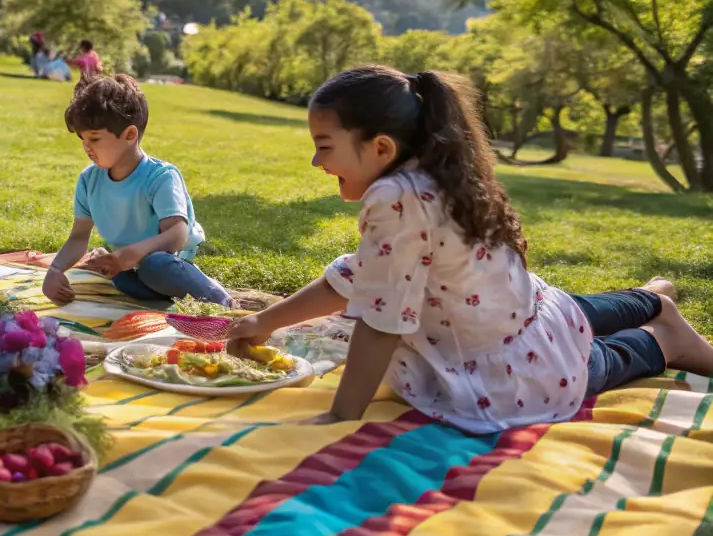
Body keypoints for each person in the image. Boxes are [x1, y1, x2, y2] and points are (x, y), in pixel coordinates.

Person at [227, 65, 713, 432]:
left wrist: (341, 414)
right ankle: (651, 298)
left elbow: (381, 320)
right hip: (522, 313)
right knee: (573, 315)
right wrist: (264, 321)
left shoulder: (396, 198)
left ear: (380, 148)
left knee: (595, 361)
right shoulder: (436, 172)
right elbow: (358, 275)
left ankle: (665, 337)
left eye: (325, 145)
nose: (315, 160)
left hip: (514, 369)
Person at [41, 74, 231, 307]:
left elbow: (176, 235)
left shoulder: (160, 176)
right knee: (121, 280)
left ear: (130, 135)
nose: (86, 147)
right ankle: (172, 296)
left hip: (167, 261)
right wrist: (55, 270)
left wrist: (127, 256)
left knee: (155, 267)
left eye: (95, 138)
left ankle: (220, 297)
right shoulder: (88, 180)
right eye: (82, 139)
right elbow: (80, 236)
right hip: (131, 267)